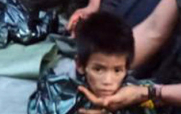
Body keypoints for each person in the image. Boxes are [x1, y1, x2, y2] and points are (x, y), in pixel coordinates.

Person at [28, 11, 156, 114]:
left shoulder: (137, 94)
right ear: (80, 65)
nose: (108, 81)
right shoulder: (60, 94)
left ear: (127, 69)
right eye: (98, 69)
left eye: (117, 70)